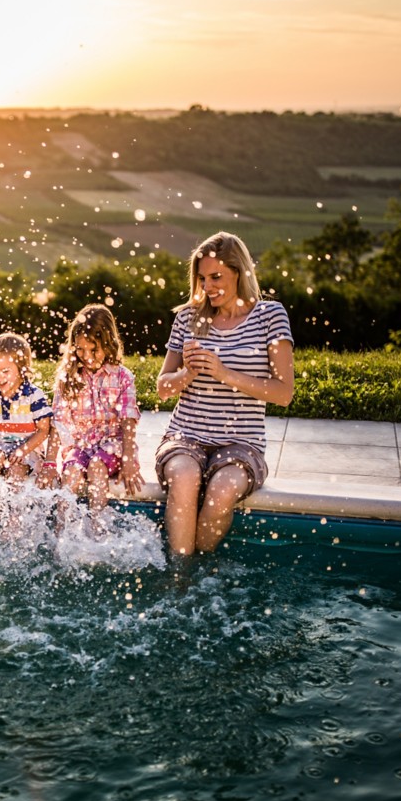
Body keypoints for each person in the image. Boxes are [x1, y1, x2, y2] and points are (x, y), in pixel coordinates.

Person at [154, 231, 294, 557]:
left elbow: (283, 393)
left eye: (216, 277)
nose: (207, 287)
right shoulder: (188, 317)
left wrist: (223, 373)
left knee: (221, 491)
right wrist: (187, 374)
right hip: (185, 435)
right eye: (202, 279)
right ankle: (181, 577)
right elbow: (162, 388)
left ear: (239, 272)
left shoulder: (270, 316)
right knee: (185, 478)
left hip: (241, 443)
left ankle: (199, 572)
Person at [42, 303, 143, 513]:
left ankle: (97, 530)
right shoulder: (69, 378)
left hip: (113, 447)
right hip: (81, 447)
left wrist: (128, 460)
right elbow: (58, 425)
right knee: (71, 473)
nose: (86, 356)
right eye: (80, 349)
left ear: (108, 344)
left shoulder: (122, 377)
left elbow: (128, 420)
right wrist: (50, 463)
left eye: (93, 349)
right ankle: (63, 535)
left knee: (97, 466)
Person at [0, 332, 52, 484]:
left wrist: (22, 450)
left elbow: (44, 430)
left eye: (5, 371)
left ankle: (14, 506)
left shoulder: (33, 396)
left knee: (17, 470)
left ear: (22, 369)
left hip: (26, 450)